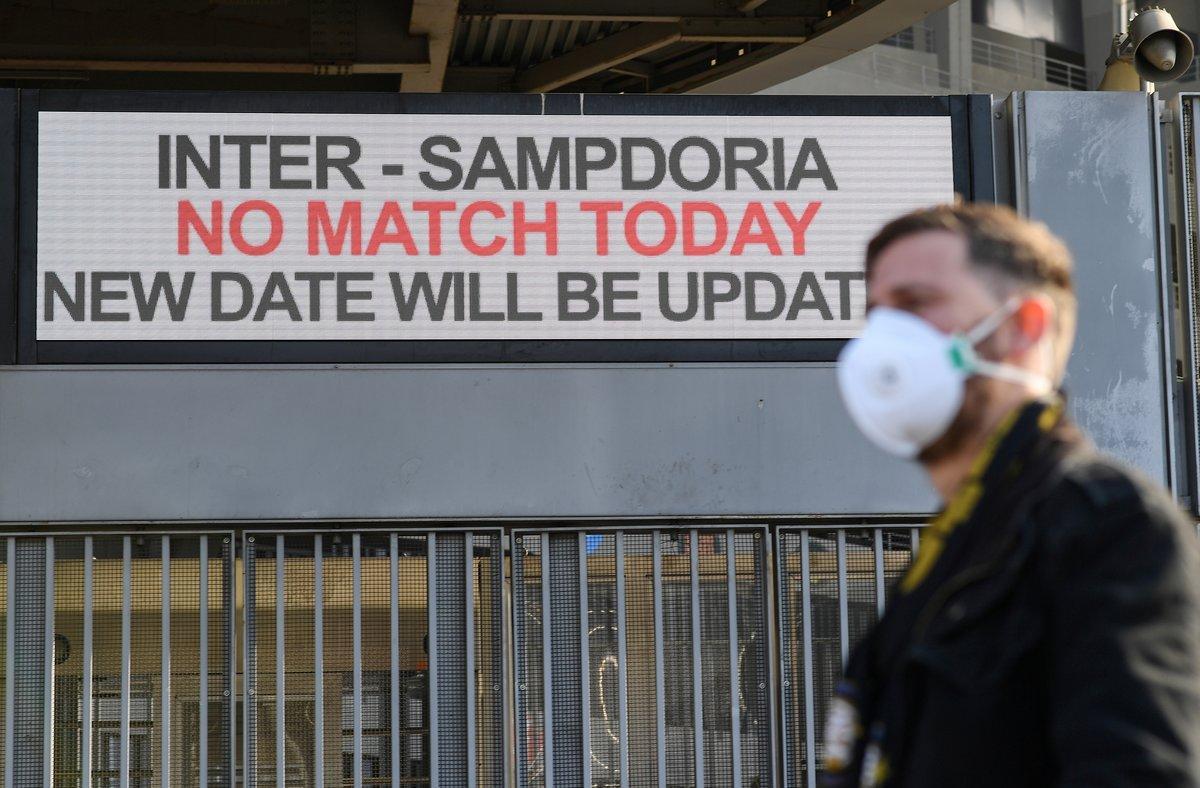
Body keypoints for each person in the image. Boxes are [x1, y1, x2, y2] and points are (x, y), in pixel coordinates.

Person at [826, 202, 1200, 787]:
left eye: (916, 305)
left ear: (1025, 324)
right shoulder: (955, 551)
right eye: (875, 313)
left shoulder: (1108, 525)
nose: (883, 340)